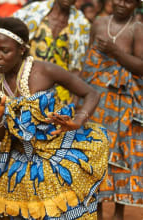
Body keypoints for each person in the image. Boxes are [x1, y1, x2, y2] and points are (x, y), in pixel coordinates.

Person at [0, 17, 109, 220]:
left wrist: (78, 120)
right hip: (19, 156)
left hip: (59, 153)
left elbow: (91, 93)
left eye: (4, 51)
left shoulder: (43, 71)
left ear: (22, 49)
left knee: (62, 212)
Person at [81, 0, 143, 218]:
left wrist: (115, 51)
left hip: (122, 103)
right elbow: (89, 60)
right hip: (96, 98)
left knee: (119, 157)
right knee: (95, 152)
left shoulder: (137, 29)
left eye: (128, 1)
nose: (121, 4)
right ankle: (96, 212)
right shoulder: (99, 23)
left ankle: (118, 212)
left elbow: (141, 66)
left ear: (136, 5)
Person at [13, 0, 90, 104]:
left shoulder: (82, 25)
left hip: (60, 92)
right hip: (27, 83)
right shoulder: (33, 11)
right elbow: (10, 38)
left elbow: (78, 65)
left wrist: (75, 99)